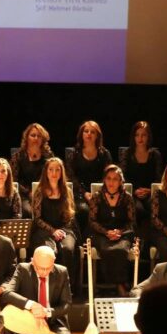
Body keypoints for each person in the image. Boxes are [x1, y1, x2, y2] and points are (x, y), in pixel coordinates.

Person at [29, 157, 77, 292]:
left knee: (67, 249)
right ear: (46, 171)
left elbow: (70, 215)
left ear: (62, 172)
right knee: (49, 251)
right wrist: (52, 231)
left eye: (57, 170)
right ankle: (48, 287)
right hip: (43, 229)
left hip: (65, 229)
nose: (54, 173)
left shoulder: (66, 190)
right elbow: (37, 218)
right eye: (51, 169)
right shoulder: (40, 191)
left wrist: (61, 231)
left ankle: (66, 287)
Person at [88, 164, 136, 295]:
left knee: (121, 250)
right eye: (108, 178)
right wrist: (106, 232)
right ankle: (115, 284)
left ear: (121, 181)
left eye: (115, 179)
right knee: (107, 249)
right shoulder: (97, 196)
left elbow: (131, 222)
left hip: (123, 233)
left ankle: (119, 284)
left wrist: (119, 232)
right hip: (101, 233)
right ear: (104, 180)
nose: (111, 182)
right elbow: (92, 221)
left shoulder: (127, 198)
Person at [65, 120, 112, 232]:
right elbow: (71, 177)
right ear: (81, 134)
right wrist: (84, 193)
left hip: (101, 192)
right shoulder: (74, 154)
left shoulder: (105, 154)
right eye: (86, 131)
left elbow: (108, 175)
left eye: (92, 132)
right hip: (79, 193)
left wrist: (97, 192)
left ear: (97, 136)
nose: (89, 134)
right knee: (83, 210)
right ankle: (84, 239)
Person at [118, 120, 163, 222]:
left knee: (154, 207)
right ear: (133, 137)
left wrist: (149, 190)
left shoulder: (155, 155)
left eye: (144, 135)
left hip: (150, 192)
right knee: (138, 209)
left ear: (148, 137)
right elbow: (122, 177)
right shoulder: (127, 153)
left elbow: (159, 178)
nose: (140, 138)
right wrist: (134, 190)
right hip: (131, 192)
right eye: (137, 135)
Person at [11, 123, 54, 216]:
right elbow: (13, 180)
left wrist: (39, 191)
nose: (36, 138)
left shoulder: (48, 156)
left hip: (44, 192)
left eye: (39, 136)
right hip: (24, 194)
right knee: (28, 211)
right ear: (27, 138)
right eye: (33, 135)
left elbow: (53, 177)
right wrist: (28, 192)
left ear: (43, 139)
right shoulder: (18, 156)